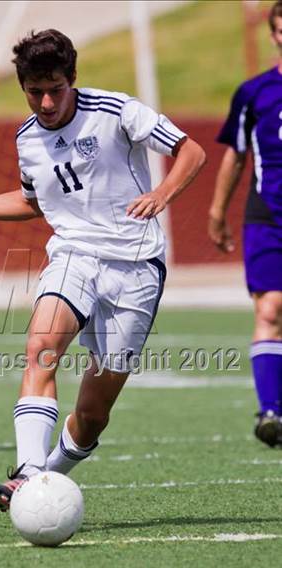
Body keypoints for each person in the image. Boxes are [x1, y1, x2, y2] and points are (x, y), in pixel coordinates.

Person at [0, 29, 205, 510]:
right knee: (41, 348)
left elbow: (191, 152)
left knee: (92, 415)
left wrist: (161, 194)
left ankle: (46, 477)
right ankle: (27, 476)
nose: (47, 101)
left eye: (55, 88)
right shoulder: (27, 139)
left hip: (136, 268)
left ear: (72, 78)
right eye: (35, 92)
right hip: (73, 255)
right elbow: (32, 202)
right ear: (23, 87)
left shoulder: (116, 111)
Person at [208, 1, 282, 448]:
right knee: (270, 308)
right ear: (273, 34)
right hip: (268, 217)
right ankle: (271, 412)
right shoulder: (253, 93)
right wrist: (217, 212)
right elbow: (235, 156)